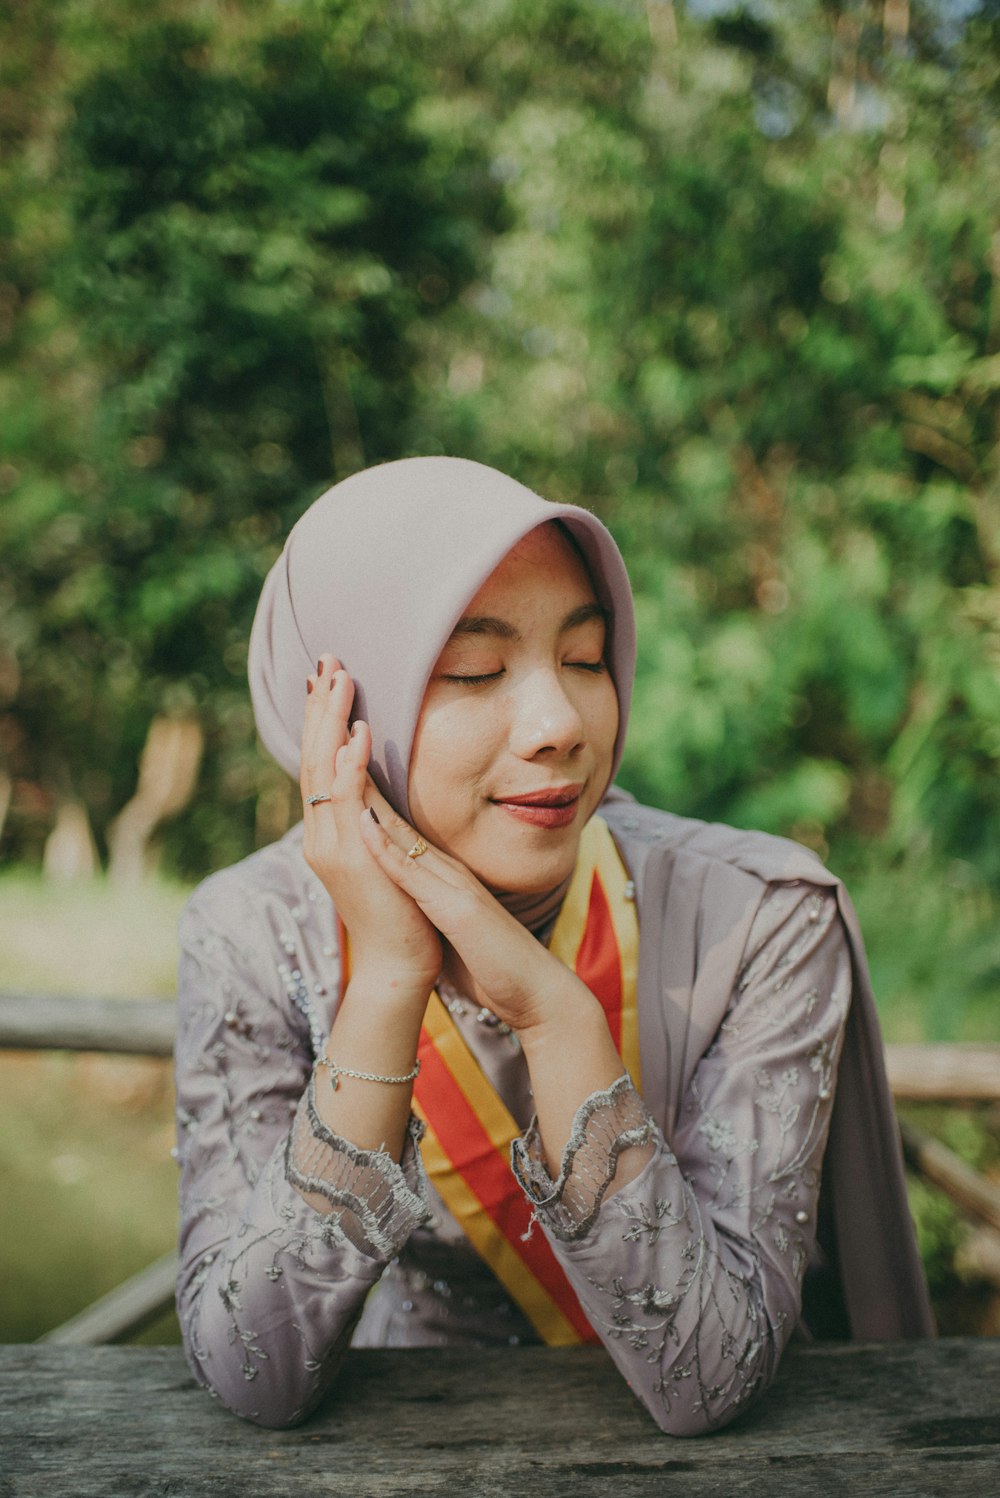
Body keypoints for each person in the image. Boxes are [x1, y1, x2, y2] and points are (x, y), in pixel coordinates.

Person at [174, 457, 933, 1435]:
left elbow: (709, 1376)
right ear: (345, 712)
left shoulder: (757, 917)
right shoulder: (254, 926)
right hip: (412, 1454)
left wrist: (555, 1014)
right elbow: (255, 1371)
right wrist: (391, 978)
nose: (559, 724)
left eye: (584, 659)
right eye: (474, 671)